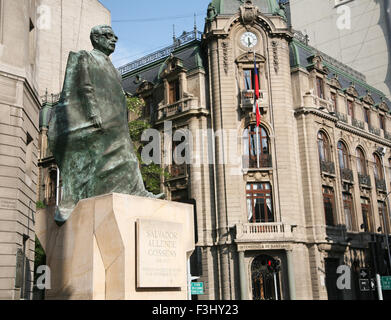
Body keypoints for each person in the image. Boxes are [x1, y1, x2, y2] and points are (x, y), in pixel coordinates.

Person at [48, 25, 163, 223]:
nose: (114, 40)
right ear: (96, 38)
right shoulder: (85, 57)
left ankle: (138, 190)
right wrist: (92, 113)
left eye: (115, 36)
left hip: (116, 124)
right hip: (95, 120)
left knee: (129, 159)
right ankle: (72, 199)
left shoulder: (114, 70)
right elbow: (83, 87)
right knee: (89, 164)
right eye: (109, 36)